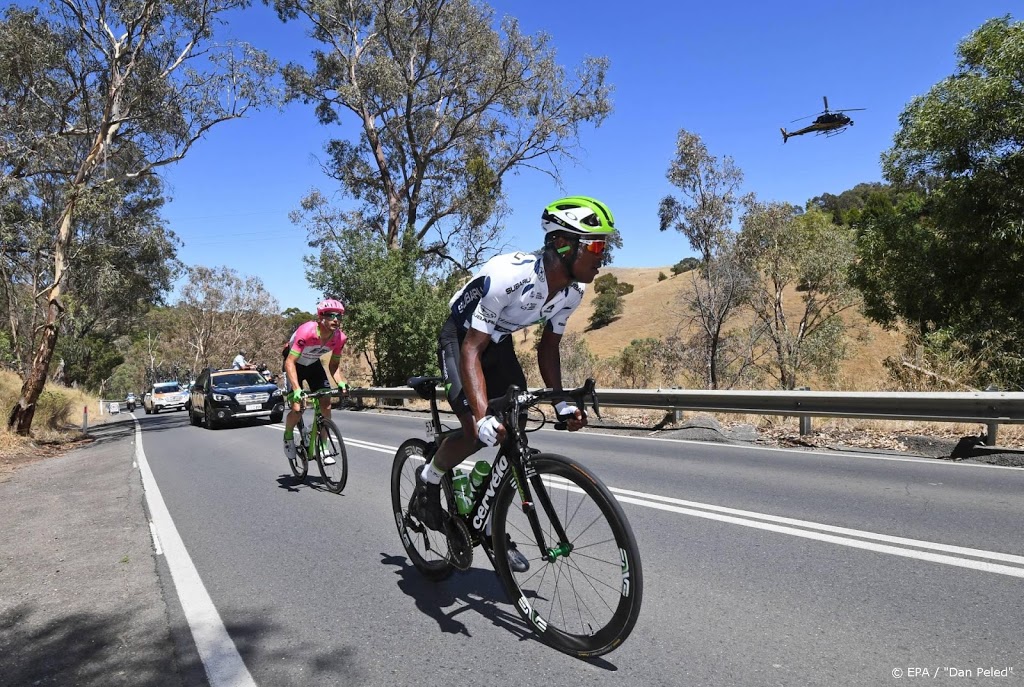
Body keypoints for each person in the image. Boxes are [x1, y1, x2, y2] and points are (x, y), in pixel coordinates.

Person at [409, 195, 616, 573]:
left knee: (514, 427)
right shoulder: (509, 276)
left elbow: (549, 346)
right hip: (462, 339)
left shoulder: (573, 290)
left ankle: (480, 504)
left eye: (607, 245)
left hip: (498, 343)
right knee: (476, 431)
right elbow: (472, 349)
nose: (604, 256)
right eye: (598, 245)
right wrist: (483, 414)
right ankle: (429, 478)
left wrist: (561, 403)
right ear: (561, 244)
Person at [282, 299, 348, 465]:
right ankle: (288, 436)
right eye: (331, 315)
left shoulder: (340, 338)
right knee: (297, 408)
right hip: (295, 365)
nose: (336, 319)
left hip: (313, 365)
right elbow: (289, 362)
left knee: (326, 403)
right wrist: (297, 389)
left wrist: (340, 382)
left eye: (339, 316)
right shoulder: (307, 332)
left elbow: (333, 365)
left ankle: (323, 447)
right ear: (321, 317)